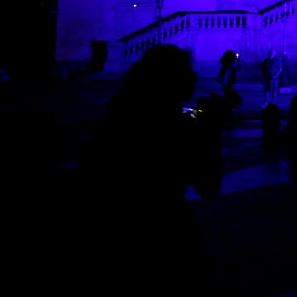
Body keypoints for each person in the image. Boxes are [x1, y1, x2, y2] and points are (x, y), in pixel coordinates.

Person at [77, 44, 222, 294]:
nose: (194, 76)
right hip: (168, 231)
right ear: (169, 78)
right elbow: (209, 187)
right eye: (187, 70)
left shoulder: (120, 115)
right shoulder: (177, 127)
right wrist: (210, 132)